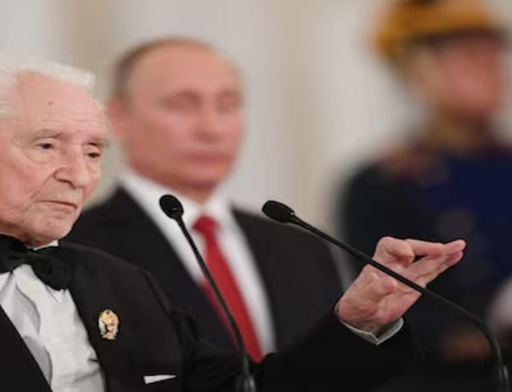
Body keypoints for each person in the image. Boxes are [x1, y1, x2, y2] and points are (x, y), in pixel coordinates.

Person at [0, 53, 464, 392]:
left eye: (94, 151)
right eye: (47, 145)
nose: (78, 174)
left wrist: (356, 322)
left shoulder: (126, 285)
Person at [68, 38, 345, 360]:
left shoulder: (302, 248)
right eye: (182, 105)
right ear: (117, 117)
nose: (211, 129)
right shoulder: (77, 247)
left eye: (227, 105)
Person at [337, 0, 512, 391]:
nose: (491, 67)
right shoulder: (382, 183)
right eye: (468, 55)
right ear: (419, 73)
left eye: (494, 53)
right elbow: (389, 316)